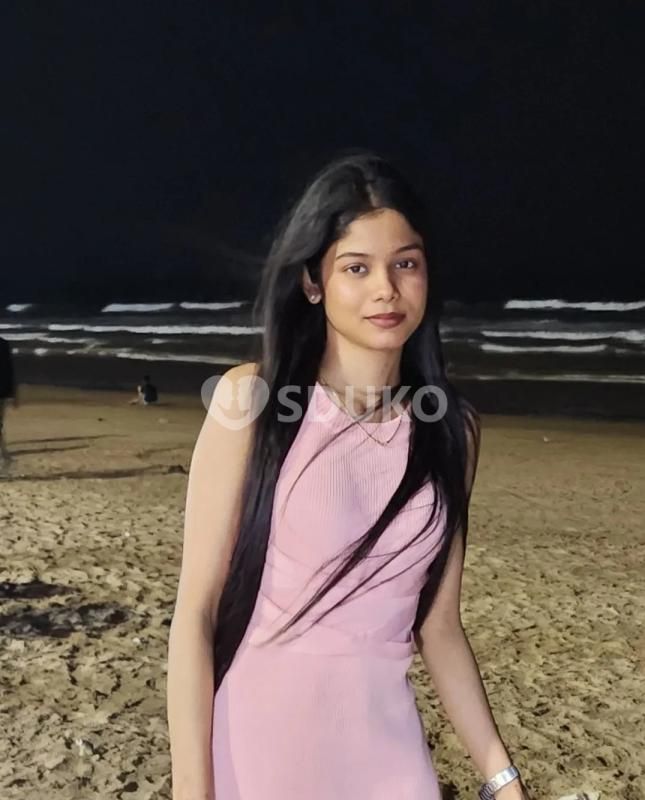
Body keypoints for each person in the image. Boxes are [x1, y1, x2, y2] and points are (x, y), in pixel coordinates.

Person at [167, 151, 533, 800]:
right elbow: (195, 615)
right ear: (314, 282)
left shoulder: (451, 430)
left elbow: (439, 628)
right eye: (356, 267)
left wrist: (502, 780)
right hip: (258, 756)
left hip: (391, 764)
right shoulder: (250, 403)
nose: (386, 289)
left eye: (405, 264)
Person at [0, 335, 18, 469]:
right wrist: (12, 393)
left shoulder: (3, 344)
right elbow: (9, 370)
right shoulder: (3, 344)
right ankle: (5, 456)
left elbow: (8, 370)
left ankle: (5, 456)